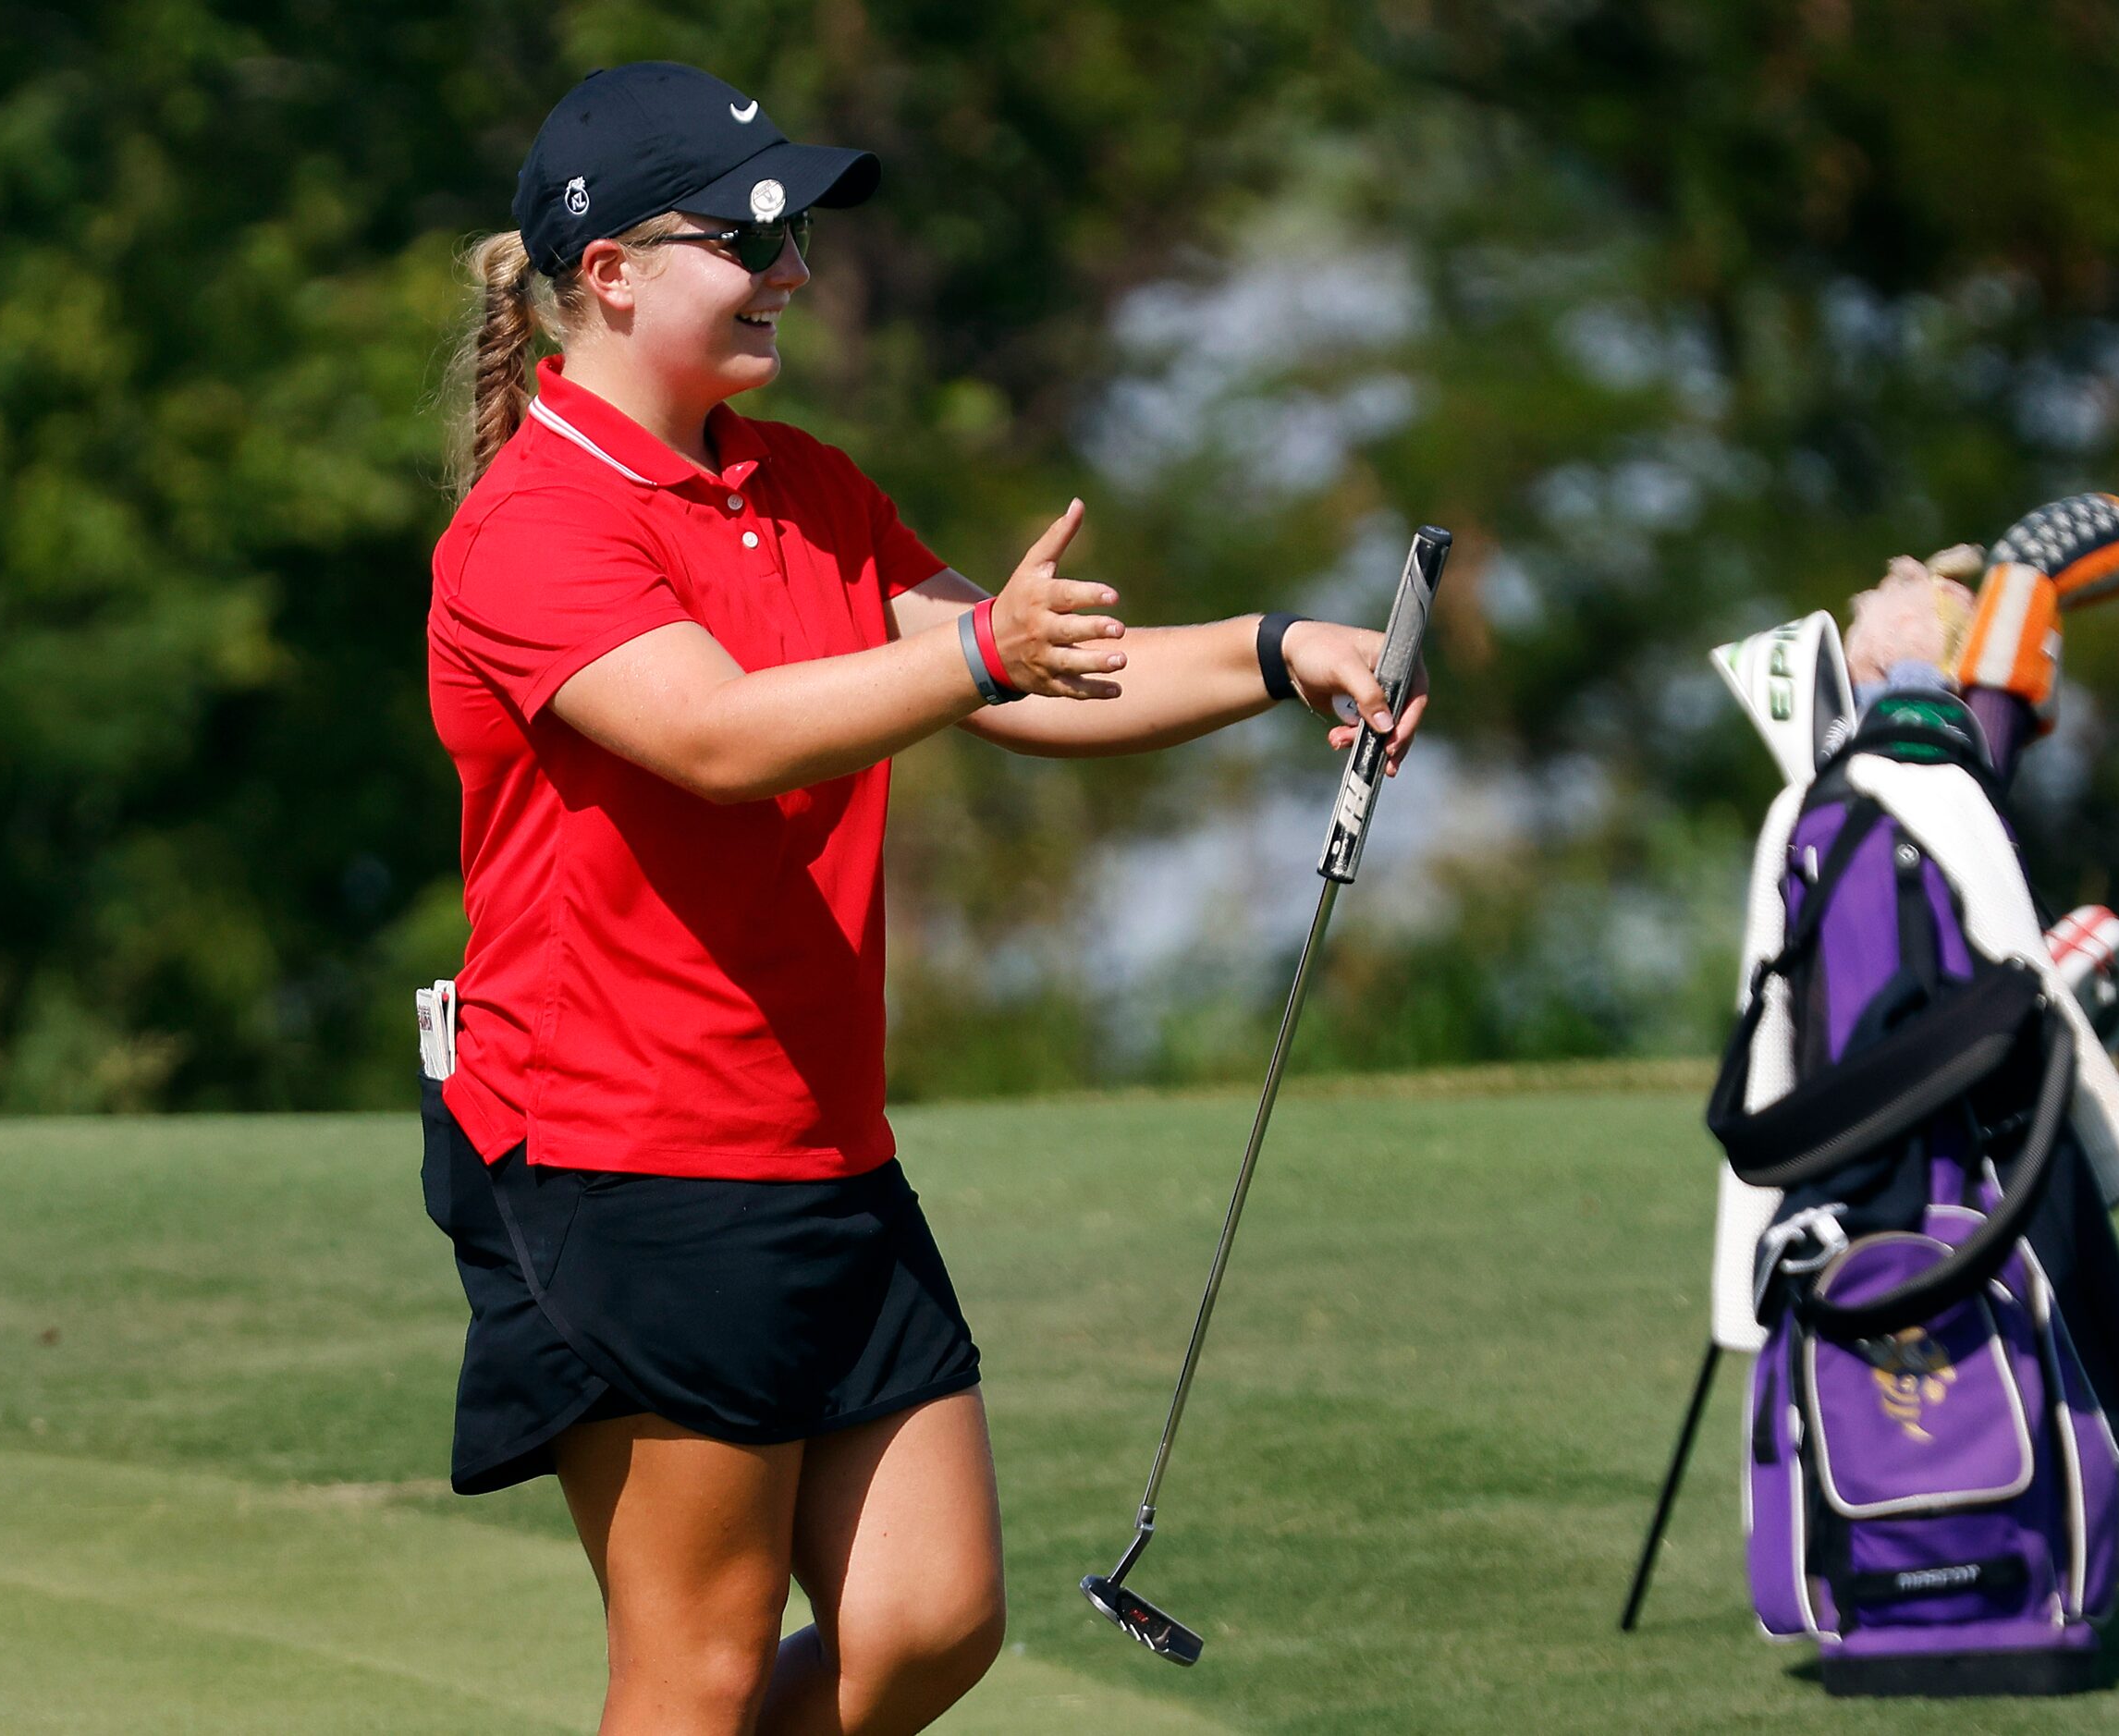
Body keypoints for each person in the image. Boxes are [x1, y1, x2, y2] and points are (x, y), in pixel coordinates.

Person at [423, 61, 1428, 1736]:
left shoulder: (802, 485)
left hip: (817, 1142)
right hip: (621, 1158)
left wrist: (1276, 650)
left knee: (929, 1620)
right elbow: (715, 735)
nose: (794, 274)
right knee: (698, 1667)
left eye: (797, 234)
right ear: (607, 274)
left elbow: (1032, 682)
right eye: (752, 238)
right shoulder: (530, 527)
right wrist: (974, 651)